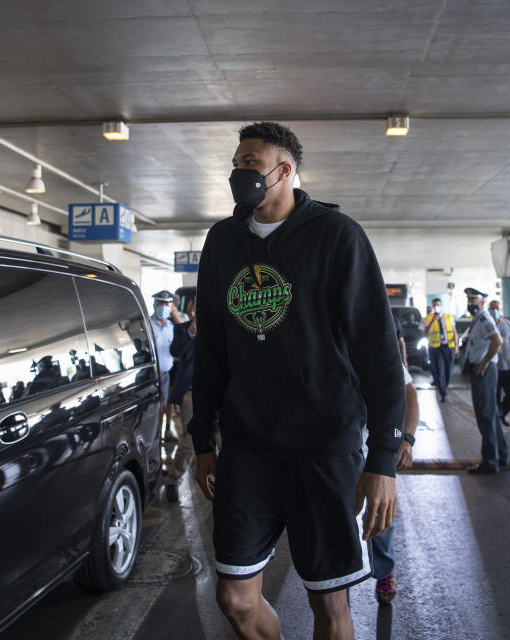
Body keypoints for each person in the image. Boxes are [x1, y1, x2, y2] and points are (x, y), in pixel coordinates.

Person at [189, 122, 404, 640]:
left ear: (284, 171)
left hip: (323, 446)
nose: (239, 171)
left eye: (250, 163)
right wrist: (202, 440)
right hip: (248, 446)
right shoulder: (223, 241)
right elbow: (212, 347)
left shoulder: (337, 236)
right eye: (236, 162)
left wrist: (382, 461)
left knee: (329, 604)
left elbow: (378, 352)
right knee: (236, 598)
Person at [371, 361, 419, 605]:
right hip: (334, 453)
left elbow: (409, 393)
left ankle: (384, 571)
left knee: (379, 518)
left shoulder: (372, 338)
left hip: (374, 450)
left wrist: (407, 439)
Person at [463, 288, 506, 474]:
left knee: (485, 415)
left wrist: (484, 363)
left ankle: (490, 461)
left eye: (474, 300)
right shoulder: (478, 320)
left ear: (481, 303)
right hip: (481, 369)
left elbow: (497, 341)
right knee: (491, 414)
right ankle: (501, 455)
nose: (470, 303)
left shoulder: (484, 319)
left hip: (484, 371)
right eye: (469, 300)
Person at [163, 297, 197, 503]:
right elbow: (176, 351)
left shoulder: (222, 327)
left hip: (221, 392)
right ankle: (173, 479)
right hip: (192, 394)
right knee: (191, 438)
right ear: (192, 308)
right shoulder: (183, 329)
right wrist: (192, 332)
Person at [489, 299, 510, 426]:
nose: (494, 311)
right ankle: (497, 418)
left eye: (496, 308)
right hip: (493, 366)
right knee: (495, 394)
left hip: (507, 365)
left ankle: (502, 412)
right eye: (492, 308)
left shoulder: (507, 324)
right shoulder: (487, 324)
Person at [423, 297, 458, 402]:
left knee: (448, 369)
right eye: (434, 305)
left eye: (438, 305)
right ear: (432, 307)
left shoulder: (448, 317)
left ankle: (444, 386)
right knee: (440, 370)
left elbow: (454, 331)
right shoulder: (428, 318)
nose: (436, 307)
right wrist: (432, 321)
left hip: (448, 347)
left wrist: (456, 345)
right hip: (436, 348)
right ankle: (443, 392)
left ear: (441, 306)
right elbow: (424, 332)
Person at [150, 290, 176, 431]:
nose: (163, 306)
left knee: (163, 405)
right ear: (154, 303)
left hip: (166, 375)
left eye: (167, 303)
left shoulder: (172, 327)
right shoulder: (147, 325)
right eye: (160, 302)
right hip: (151, 376)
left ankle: (159, 436)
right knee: (151, 410)